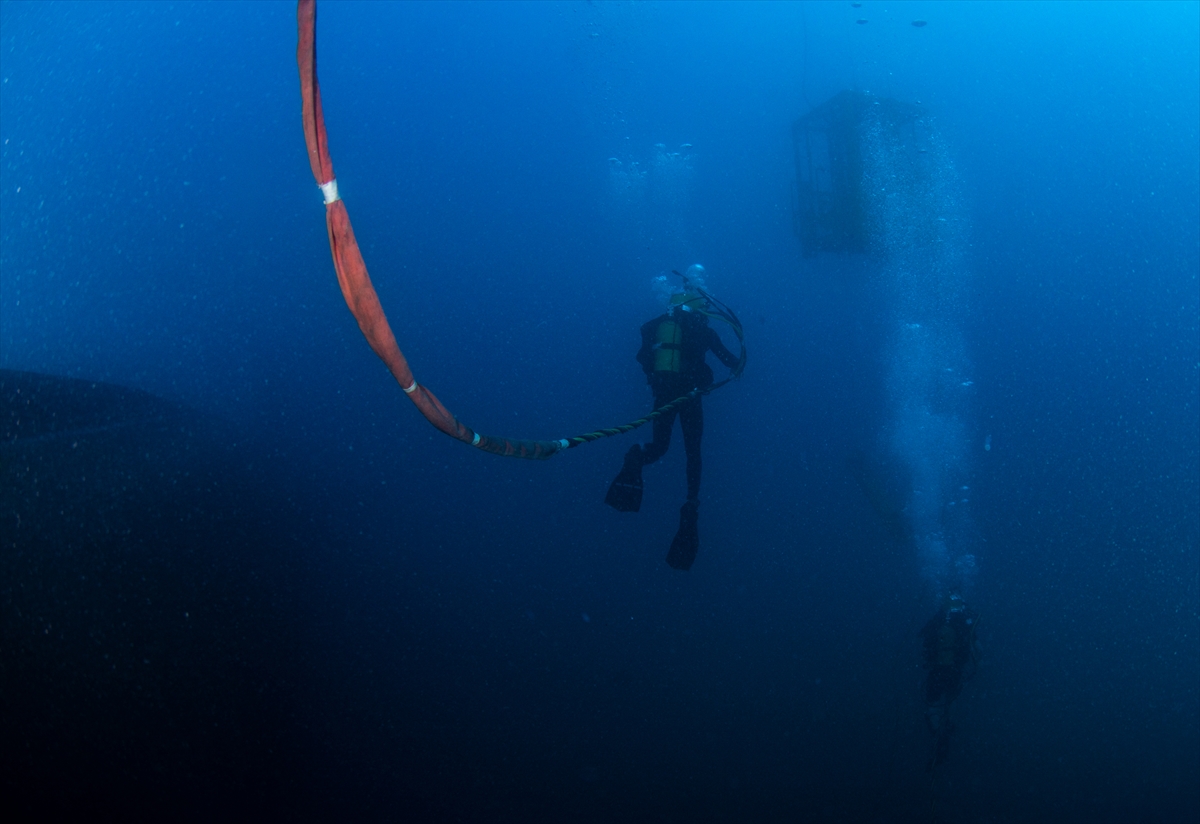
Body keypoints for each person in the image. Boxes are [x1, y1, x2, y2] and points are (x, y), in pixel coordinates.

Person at [605, 265, 740, 571]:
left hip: (665, 395)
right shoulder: (704, 330)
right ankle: (691, 505)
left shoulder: (655, 325)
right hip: (691, 397)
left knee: (660, 446)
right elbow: (730, 361)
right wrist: (740, 364)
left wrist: (659, 378)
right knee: (693, 453)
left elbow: (642, 358)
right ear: (699, 305)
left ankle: (635, 458)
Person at [920, 592, 980, 770]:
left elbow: (924, 641)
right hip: (955, 672)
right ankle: (945, 732)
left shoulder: (938, 619)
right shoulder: (964, 622)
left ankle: (938, 734)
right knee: (950, 703)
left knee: (932, 706)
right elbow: (977, 647)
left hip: (936, 672)